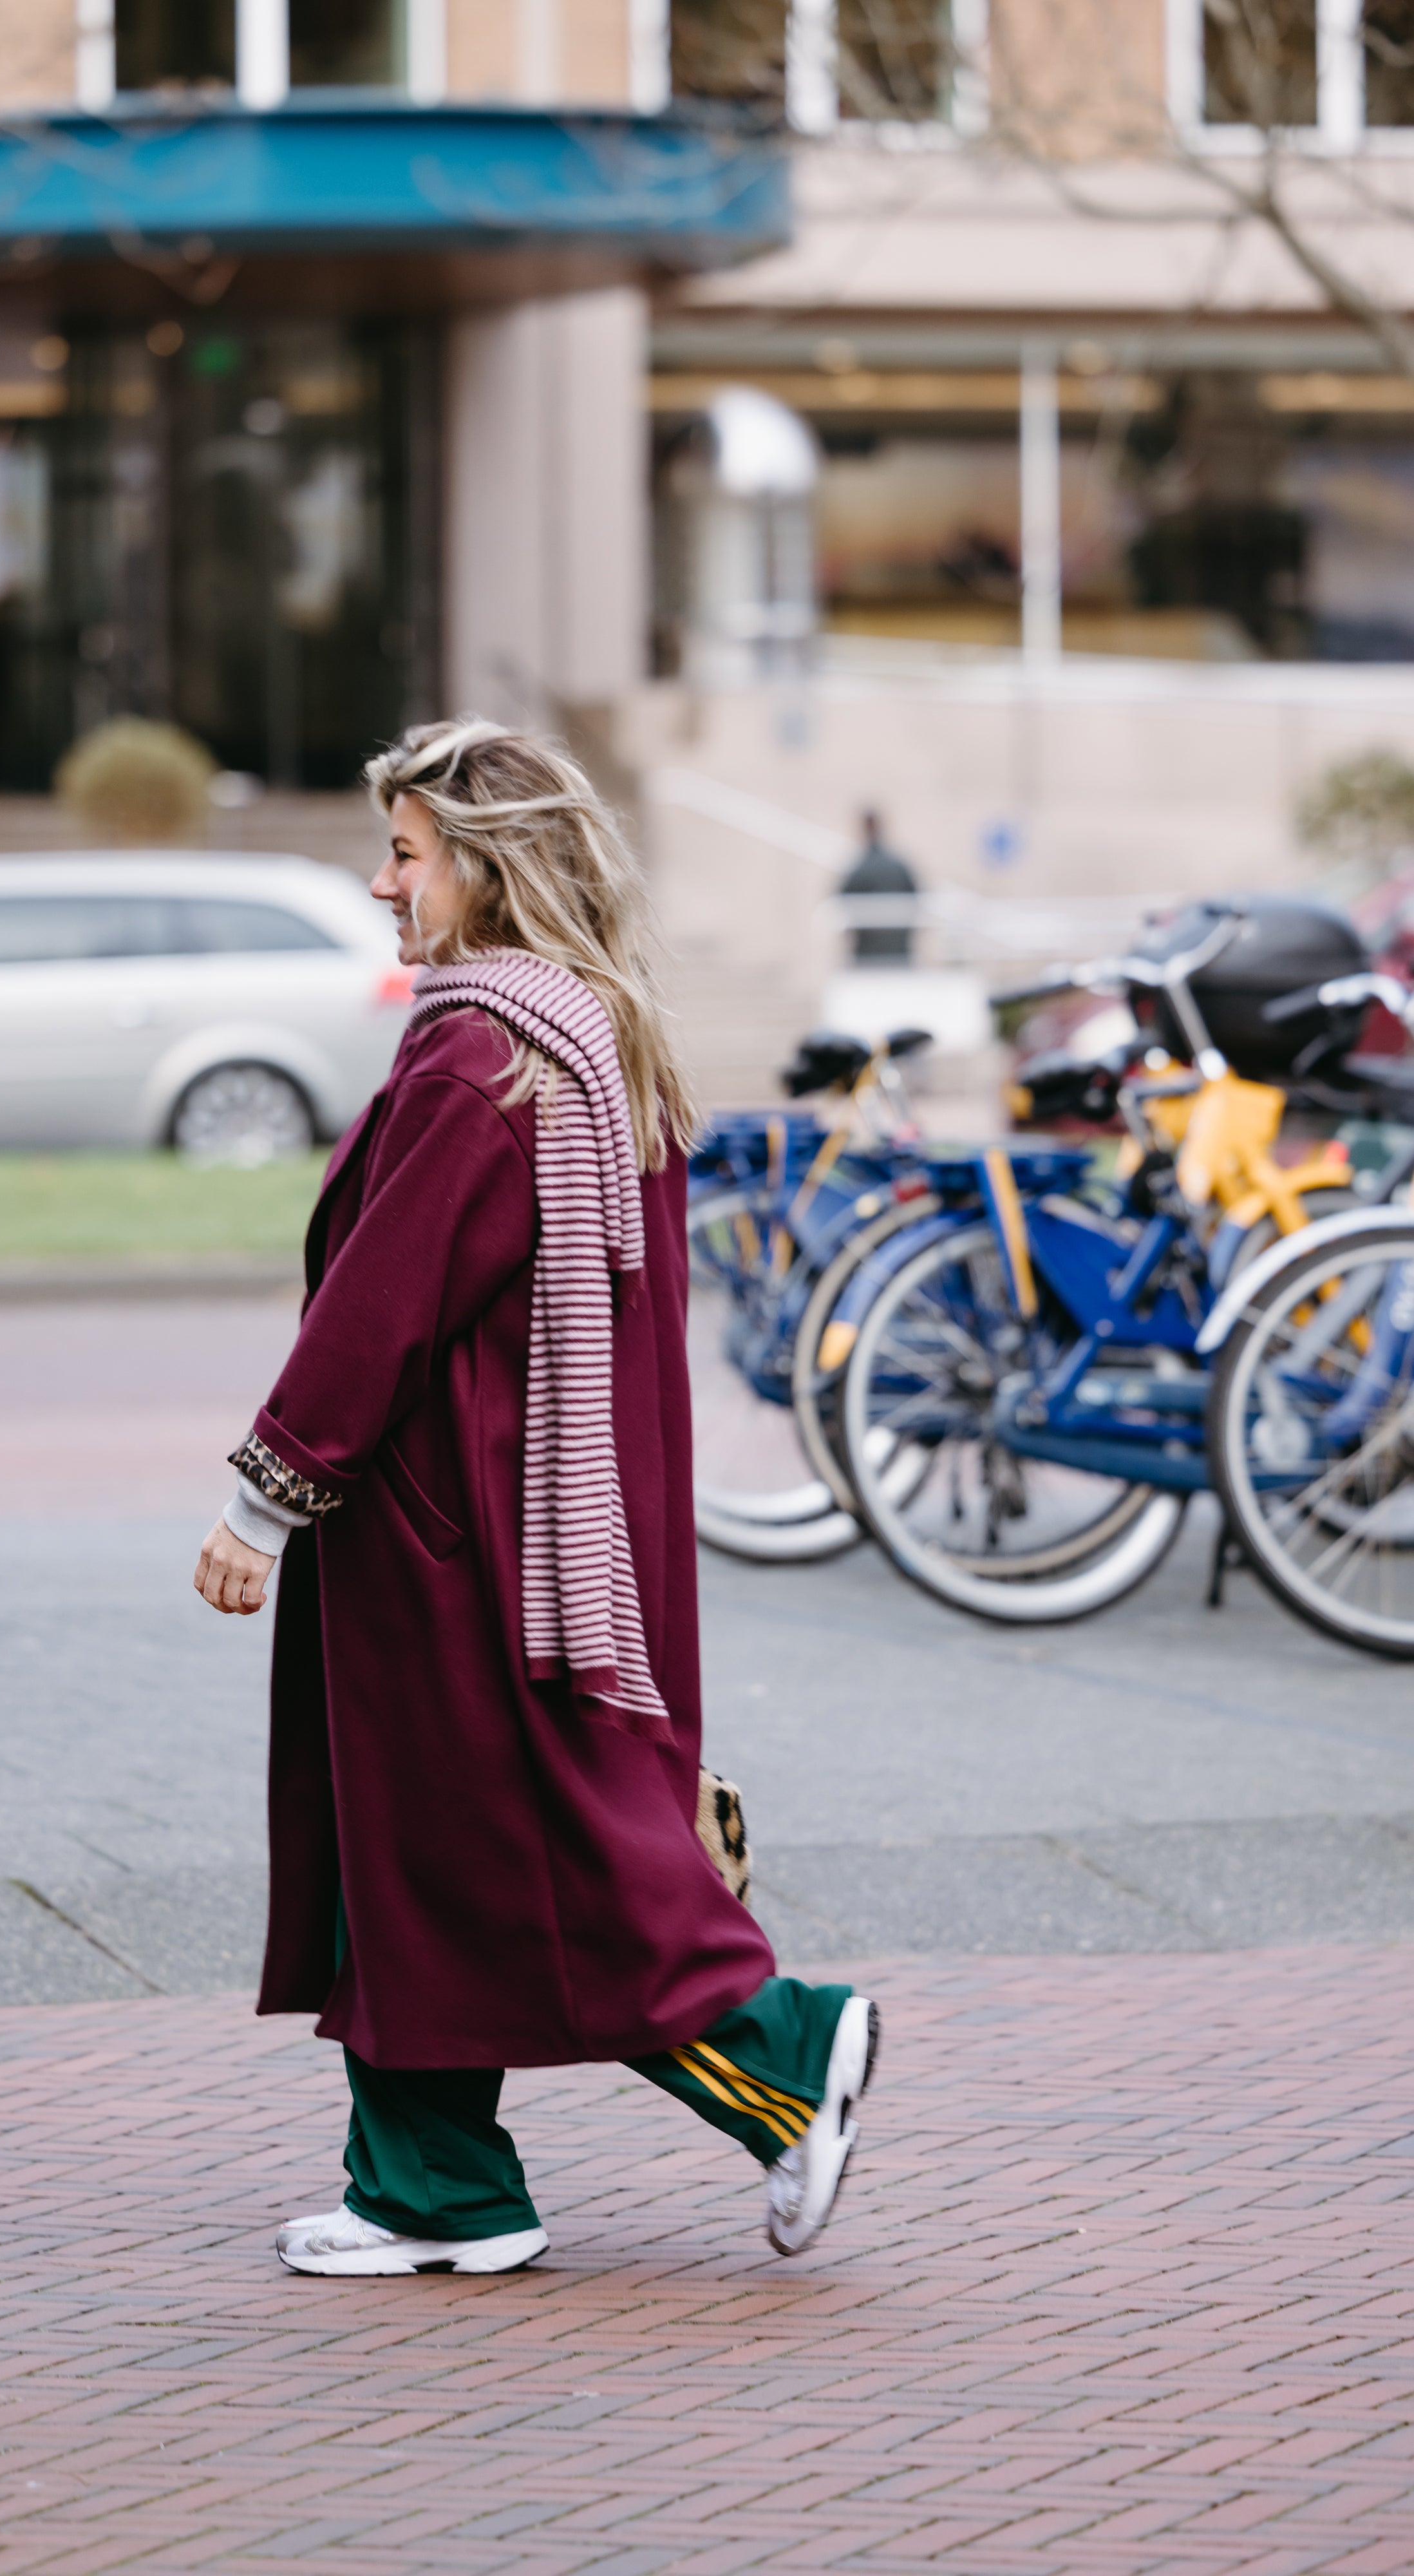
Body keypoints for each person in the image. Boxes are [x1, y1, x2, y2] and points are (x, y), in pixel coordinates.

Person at [192, 719, 880, 2278]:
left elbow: (384, 1303)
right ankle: (436, 2185)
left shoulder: (476, 1049)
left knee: (505, 1841)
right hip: (559, 1516)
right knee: (440, 1847)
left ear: (488, 869)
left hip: (452, 1524)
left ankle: (783, 2049)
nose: (383, 882)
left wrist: (264, 1500)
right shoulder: (591, 1028)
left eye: (409, 854)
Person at [840, 809, 918, 963]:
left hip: (867, 956)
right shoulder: (899, 866)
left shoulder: (859, 869)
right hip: (899, 953)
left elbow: (842, 900)